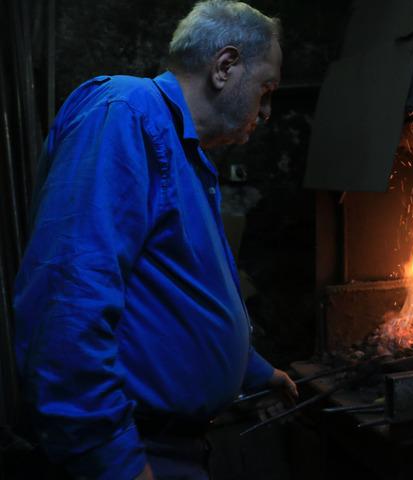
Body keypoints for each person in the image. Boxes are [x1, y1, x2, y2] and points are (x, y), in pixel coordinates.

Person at [13, 1, 297, 478]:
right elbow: (65, 304)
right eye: (265, 90)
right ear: (225, 67)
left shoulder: (185, 152)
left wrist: (250, 368)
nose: (267, 112)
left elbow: (175, 291)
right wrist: (114, 461)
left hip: (176, 447)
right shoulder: (124, 113)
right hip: (139, 450)